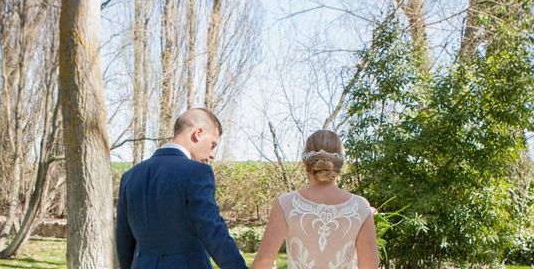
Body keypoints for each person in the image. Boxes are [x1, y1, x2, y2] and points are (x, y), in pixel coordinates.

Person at [116, 108, 247, 269]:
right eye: (213, 144)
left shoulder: (130, 177)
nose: (212, 154)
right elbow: (213, 232)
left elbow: (123, 242)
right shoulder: (197, 172)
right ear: (198, 133)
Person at [252, 130, 379, 269]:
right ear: (339, 164)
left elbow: (263, 261)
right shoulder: (360, 207)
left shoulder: (285, 204)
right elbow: (370, 265)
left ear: (306, 162)